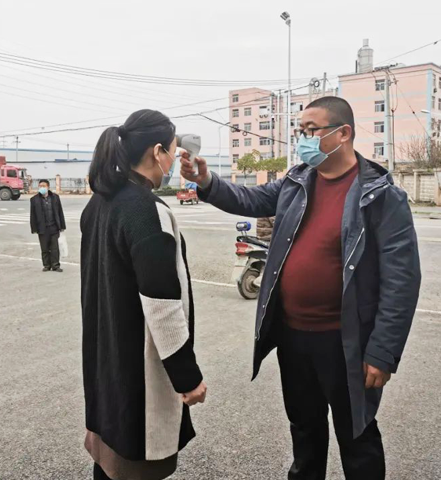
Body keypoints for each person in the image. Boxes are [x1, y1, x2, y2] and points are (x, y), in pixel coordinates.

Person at [182, 96, 421, 479]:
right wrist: (206, 182)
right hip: (294, 337)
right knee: (304, 430)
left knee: (357, 437)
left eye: (312, 130)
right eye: (300, 131)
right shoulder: (297, 181)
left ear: (343, 134)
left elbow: (402, 280)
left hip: (345, 342)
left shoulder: (380, 196)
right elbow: (249, 198)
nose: (303, 139)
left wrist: (383, 350)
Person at [80, 109, 207, 480]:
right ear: (157, 152)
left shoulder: (100, 202)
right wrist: (187, 377)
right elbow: (162, 305)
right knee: (136, 458)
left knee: (109, 458)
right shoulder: (146, 211)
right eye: (172, 150)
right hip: (137, 367)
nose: (174, 159)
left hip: (106, 356)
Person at [30, 179, 66, 272]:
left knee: (55, 248)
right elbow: (33, 215)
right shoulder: (34, 199)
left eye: (44, 186)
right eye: (40, 186)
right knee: (44, 248)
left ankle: (55, 265)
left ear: (48, 187)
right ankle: (46, 265)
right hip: (42, 228)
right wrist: (34, 228)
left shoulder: (55, 197)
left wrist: (62, 226)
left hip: (54, 227)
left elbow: (60, 212)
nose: (42, 187)